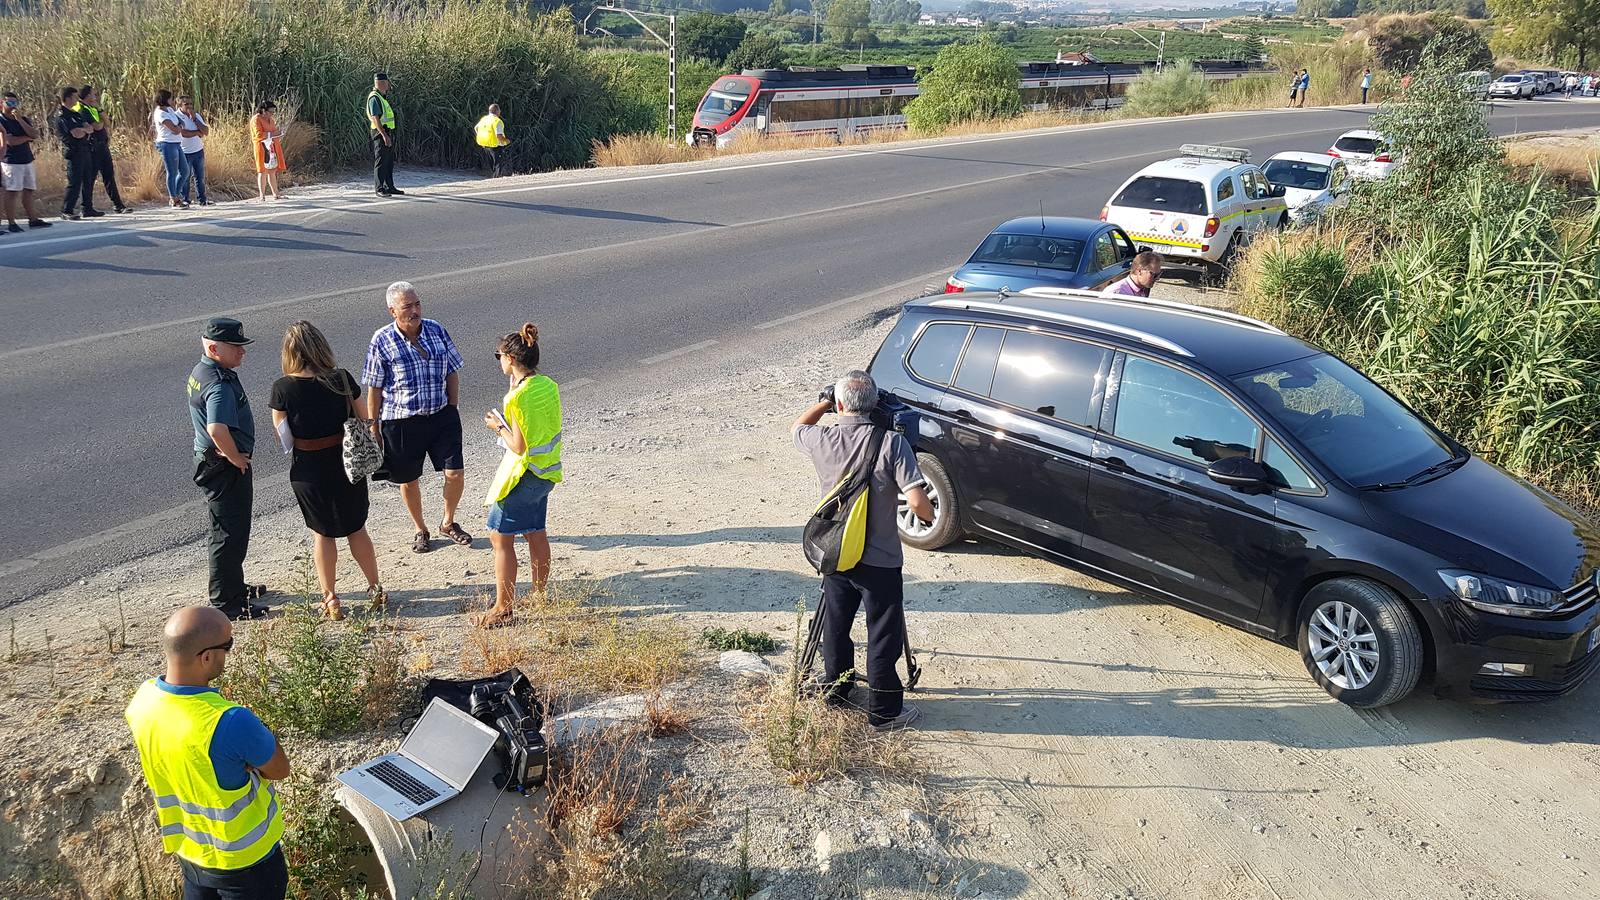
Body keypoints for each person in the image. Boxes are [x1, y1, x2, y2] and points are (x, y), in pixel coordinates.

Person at [793, 370, 934, 731]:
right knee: (882, 634)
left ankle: (837, 690)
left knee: (836, 626)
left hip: (836, 553)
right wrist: (928, 514)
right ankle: (885, 712)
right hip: (881, 561)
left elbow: (797, 426)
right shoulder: (891, 443)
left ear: (840, 405)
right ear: (875, 405)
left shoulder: (822, 439)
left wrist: (824, 402)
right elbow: (918, 503)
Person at [125, 605, 290, 900]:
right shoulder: (228, 721)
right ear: (207, 657)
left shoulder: (143, 700)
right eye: (228, 645)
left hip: (191, 855)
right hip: (247, 865)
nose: (229, 653)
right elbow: (279, 769)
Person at [269, 322, 386, 621]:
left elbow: (283, 438)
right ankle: (375, 589)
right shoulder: (341, 379)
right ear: (321, 346)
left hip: (308, 469)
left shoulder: (283, 388)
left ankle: (331, 599)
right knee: (357, 529)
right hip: (346, 464)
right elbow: (365, 418)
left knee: (322, 535)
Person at [362, 282, 470, 553]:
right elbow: (373, 388)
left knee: (455, 473)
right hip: (401, 421)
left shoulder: (436, 330)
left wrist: (452, 409)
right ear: (392, 311)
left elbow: (452, 371)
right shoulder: (381, 340)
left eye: (417, 303)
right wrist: (374, 427)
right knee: (408, 479)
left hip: (441, 415)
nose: (415, 310)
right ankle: (420, 528)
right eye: (407, 306)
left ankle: (448, 521)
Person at [478, 323, 562, 627]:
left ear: (511, 359)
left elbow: (517, 444)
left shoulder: (514, 400)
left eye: (499, 355)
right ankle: (539, 594)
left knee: (500, 537)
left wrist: (498, 426)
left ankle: (503, 608)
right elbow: (535, 417)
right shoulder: (547, 384)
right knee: (535, 531)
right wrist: (513, 391)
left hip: (523, 474)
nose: (498, 359)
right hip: (546, 473)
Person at [188, 317, 268, 621]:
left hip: (212, 462)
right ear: (213, 348)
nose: (242, 352)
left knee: (228, 531)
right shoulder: (218, 384)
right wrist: (235, 458)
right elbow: (217, 427)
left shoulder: (202, 371)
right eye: (235, 347)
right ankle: (228, 603)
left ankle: (235, 586)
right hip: (223, 468)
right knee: (228, 534)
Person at [1, 92, 51, 232]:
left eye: (15, 103)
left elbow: (34, 134)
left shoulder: (22, 119)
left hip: (27, 159)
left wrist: (20, 120)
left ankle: (32, 219)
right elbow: (10, 141)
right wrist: (26, 138)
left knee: (29, 190)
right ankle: (11, 222)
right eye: (9, 103)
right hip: (11, 161)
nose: (13, 106)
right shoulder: (1, 121)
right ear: (2, 104)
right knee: (12, 192)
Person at [76, 85, 130, 213]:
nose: (95, 97)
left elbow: (107, 122)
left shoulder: (92, 108)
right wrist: (101, 120)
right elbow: (98, 126)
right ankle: (86, 207)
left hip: (102, 145)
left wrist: (100, 114)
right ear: (88, 95)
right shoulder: (83, 109)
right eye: (93, 94)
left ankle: (118, 205)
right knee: (90, 177)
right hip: (93, 147)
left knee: (108, 175)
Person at [53, 86, 100, 220]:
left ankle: (88, 208)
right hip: (74, 152)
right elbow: (76, 134)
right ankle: (67, 210)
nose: (76, 99)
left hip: (85, 149)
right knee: (75, 182)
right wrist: (84, 130)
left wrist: (84, 130)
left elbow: (90, 128)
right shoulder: (63, 116)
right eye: (74, 97)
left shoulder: (75, 114)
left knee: (88, 179)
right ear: (67, 98)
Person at [152, 89, 189, 209]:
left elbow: (181, 122)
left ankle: (176, 194)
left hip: (176, 143)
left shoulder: (170, 110)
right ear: (164, 99)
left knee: (185, 171)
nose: (172, 101)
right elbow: (175, 129)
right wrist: (179, 127)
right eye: (170, 98)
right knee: (172, 172)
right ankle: (173, 198)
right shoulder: (160, 113)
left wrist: (179, 126)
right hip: (167, 144)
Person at [367, 73, 403, 197]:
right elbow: (375, 117)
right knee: (381, 160)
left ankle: (389, 186)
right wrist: (383, 135)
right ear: (382, 83)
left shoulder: (381, 97)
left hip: (387, 131)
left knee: (388, 161)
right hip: (380, 132)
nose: (388, 84)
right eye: (387, 82)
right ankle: (379, 188)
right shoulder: (374, 97)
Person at [177, 95, 211, 206]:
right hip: (184, 151)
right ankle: (185, 199)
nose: (189, 106)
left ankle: (202, 199)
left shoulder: (196, 116)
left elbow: (205, 131)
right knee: (185, 177)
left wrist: (195, 119)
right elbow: (183, 133)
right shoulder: (176, 116)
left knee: (199, 177)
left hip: (198, 150)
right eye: (186, 104)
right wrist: (196, 132)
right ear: (180, 105)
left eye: (191, 104)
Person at [250, 100, 285, 202]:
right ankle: (262, 195)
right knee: (262, 170)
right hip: (261, 147)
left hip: (271, 147)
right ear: (263, 110)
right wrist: (273, 134)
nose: (272, 114)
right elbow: (259, 135)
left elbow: (273, 132)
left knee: (272, 170)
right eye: (270, 112)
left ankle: (276, 194)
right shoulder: (256, 119)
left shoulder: (271, 120)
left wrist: (276, 134)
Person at [474, 103, 510, 177]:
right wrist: (506, 141)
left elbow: (476, 128)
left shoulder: (484, 119)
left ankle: (493, 179)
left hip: (485, 145)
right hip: (496, 146)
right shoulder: (497, 121)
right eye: (499, 110)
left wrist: (481, 135)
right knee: (498, 165)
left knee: (492, 166)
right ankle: (496, 181)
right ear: (497, 111)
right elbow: (499, 135)